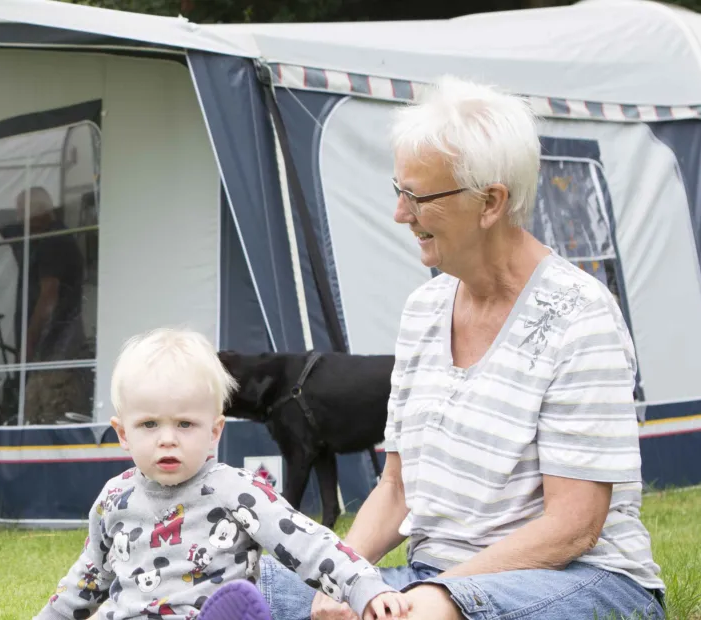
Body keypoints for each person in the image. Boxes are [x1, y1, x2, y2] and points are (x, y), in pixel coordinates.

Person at [259, 76, 666, 620]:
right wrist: (342, 581)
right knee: (224, 576)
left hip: (578, 581)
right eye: (398, 191)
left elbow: (574, 527)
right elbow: (397, 488)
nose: (401, 214)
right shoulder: (424, 311)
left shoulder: (579, 317)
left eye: (419, 197)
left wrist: (427, 598)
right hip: (435, 581)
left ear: (490, 202)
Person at [36, 328, 410, 620]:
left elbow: (307, 543)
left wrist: (364, 587)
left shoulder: (234, 490)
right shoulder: (114, 499)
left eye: (185, 424)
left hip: (207, 610)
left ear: (214, 431)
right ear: (123, 434)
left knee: (227, 605)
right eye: (149, 425)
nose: (168, 440)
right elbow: (86, 579)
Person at [0, 187, 92, 425]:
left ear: (38, 212)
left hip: (54, 354)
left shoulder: (54, 242)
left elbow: (48, 297)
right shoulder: (51, 240)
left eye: (22, 213)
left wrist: (29, 344)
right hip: (52, 353)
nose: (19, 221)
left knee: (44, 419)